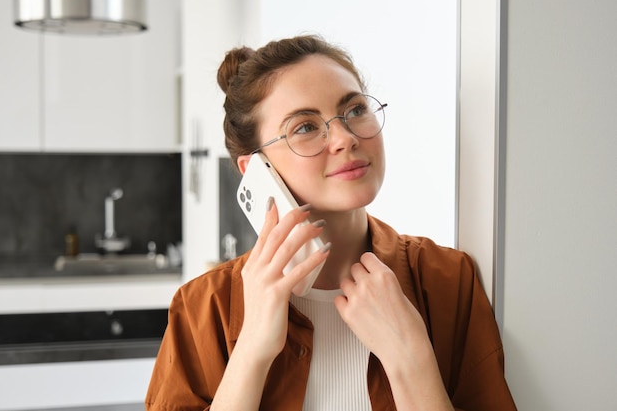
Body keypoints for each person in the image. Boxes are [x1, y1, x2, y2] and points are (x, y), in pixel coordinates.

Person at [145, 34, 517, 411]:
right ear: (256, 169)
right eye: (305, 127)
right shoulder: (203, 308)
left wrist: (412, 361)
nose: (345, 138)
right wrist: (253, 350)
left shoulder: (448, 281)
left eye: (355, 109)